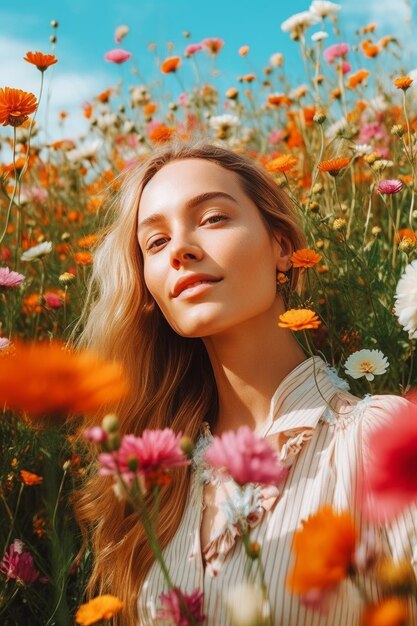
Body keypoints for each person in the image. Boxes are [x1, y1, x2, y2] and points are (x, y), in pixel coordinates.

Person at [76, 141, 417, 626]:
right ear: (148, 289)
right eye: (155, 242)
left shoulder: (378, 440)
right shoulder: (158, 485)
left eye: (212, 218)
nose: (180, 250)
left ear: (282, 247)